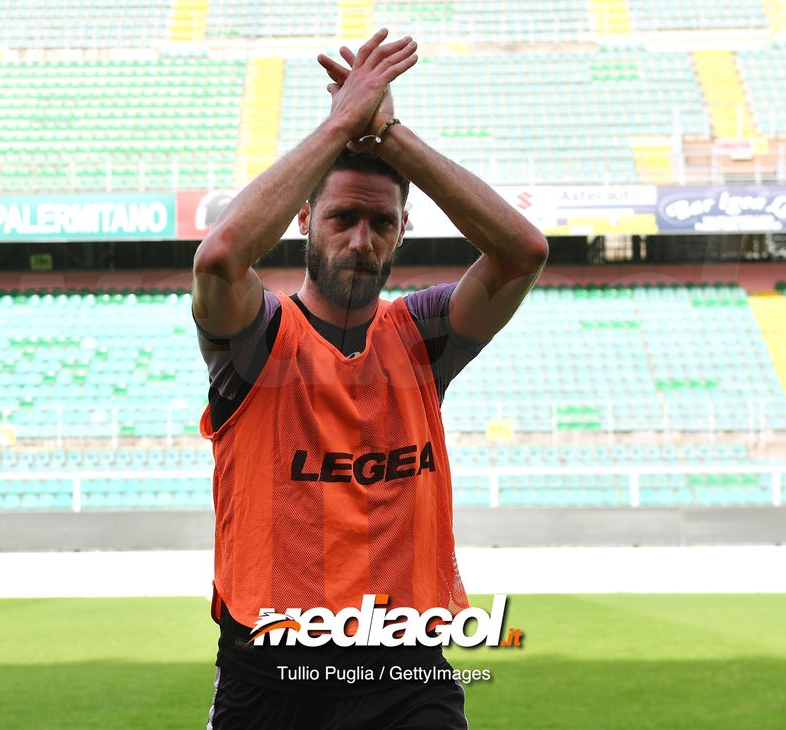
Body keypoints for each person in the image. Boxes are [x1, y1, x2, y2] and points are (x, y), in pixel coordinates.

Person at [191, 28, 548, 730]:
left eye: (381, 222)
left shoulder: (421, 337)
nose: (361, 239)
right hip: (271, 677)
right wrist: (339, 126)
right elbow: (219, 259)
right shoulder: (260, 338)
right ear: (304, 219)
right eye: (342, 217)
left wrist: (387, 135)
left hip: (406, 676)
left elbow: (523, 252)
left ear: (403, 230)